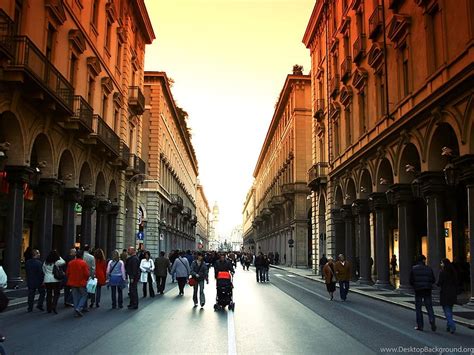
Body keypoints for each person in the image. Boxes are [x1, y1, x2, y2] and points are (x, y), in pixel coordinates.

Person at [409, 255, 436, 331]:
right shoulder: (429, 268)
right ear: (424, 260)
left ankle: (420, 326)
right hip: (427, 289)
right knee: (429, 306)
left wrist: (414, 285)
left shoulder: (414, 269)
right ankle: (432, 319)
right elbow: (433, 279)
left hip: (418, 290)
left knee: (418, 308)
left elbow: (411, 280)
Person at [66, 250, 90, 317]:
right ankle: (79, 308)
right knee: (84, 295)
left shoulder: (70, 263)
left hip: (73, 282)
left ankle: (76, 310)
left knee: (75, 297)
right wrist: (86, 280)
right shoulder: (83, 263)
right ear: (82, 256)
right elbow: (87, 274)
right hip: (81, 282)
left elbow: (67, 273)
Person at [437, 258, 457, 334]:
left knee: (446, 310)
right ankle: (448, 325)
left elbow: (439, 283)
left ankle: (452, 325)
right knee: (450, 309)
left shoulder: (442, 272)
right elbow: (456, 282)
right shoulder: (453, 272)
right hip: (452, 293)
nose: (441, 264)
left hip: (445, 293)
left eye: (441, 263)